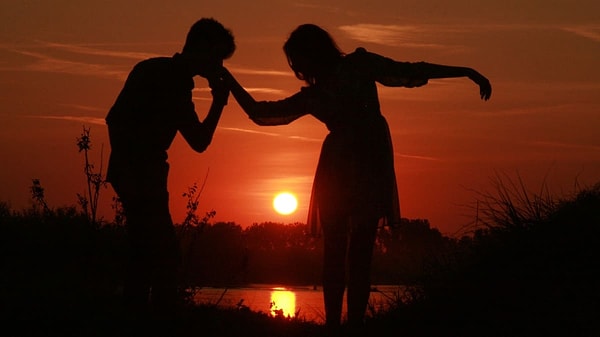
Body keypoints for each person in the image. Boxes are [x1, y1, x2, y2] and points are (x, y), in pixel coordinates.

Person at [220, 24, 491, 332]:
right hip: (348, 168)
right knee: (344, 252)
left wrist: (466, 71)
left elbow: (409, 71)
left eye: (298, 61)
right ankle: (341, 325)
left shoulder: (355, 67)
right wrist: (229, 80)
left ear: (311, 54)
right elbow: (261, 113)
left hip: (360, 166)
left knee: (354, 251)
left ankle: (348, 325)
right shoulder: (323, 89)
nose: (298, 69)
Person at [105, 18, 235, 313]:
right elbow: (199, 142)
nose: (218, 65)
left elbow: (198, 141)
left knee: (145, 253)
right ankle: (157, 319)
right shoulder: (162, 77)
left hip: (141, 173)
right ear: (201, 49)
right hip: (140, 174)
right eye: (216, 57)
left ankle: (137, 315)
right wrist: (219, 103)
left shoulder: (161, 75)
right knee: (163, 256)